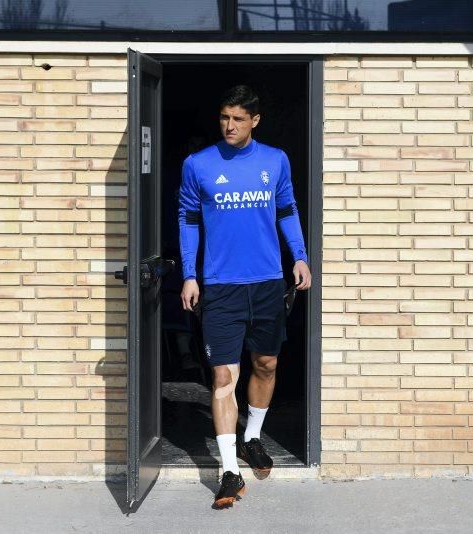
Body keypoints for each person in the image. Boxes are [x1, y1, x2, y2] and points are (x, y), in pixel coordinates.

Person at [178, 85, 311, 509]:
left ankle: (252, 437)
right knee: (221, 377)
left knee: (266, 363)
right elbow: (188, 218)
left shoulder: (275, 160)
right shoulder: (198, 164)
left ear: (255, 120)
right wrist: (190, 274)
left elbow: (287, 209)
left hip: (268, 282)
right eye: (223, 118)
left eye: (237, 119)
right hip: (220, 287)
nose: (229, 126)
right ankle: (230, 469)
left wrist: (300, 257)